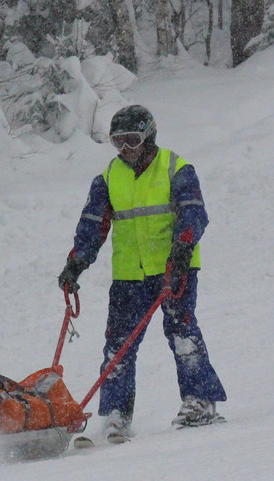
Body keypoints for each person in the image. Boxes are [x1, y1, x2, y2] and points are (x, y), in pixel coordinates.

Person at [57, 105, 227, 441]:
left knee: (181, 331)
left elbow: (194, 213)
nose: (124, 149)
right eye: (117, 141)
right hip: (129, 275)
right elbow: (93, 225)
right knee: (118, 344)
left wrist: (183, 246)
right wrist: (76, 261)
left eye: (131, 140)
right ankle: (116, 414)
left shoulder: (175, 167)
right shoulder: (108, 178)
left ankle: (200, 401)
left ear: (148, 136)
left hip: (173, 267)